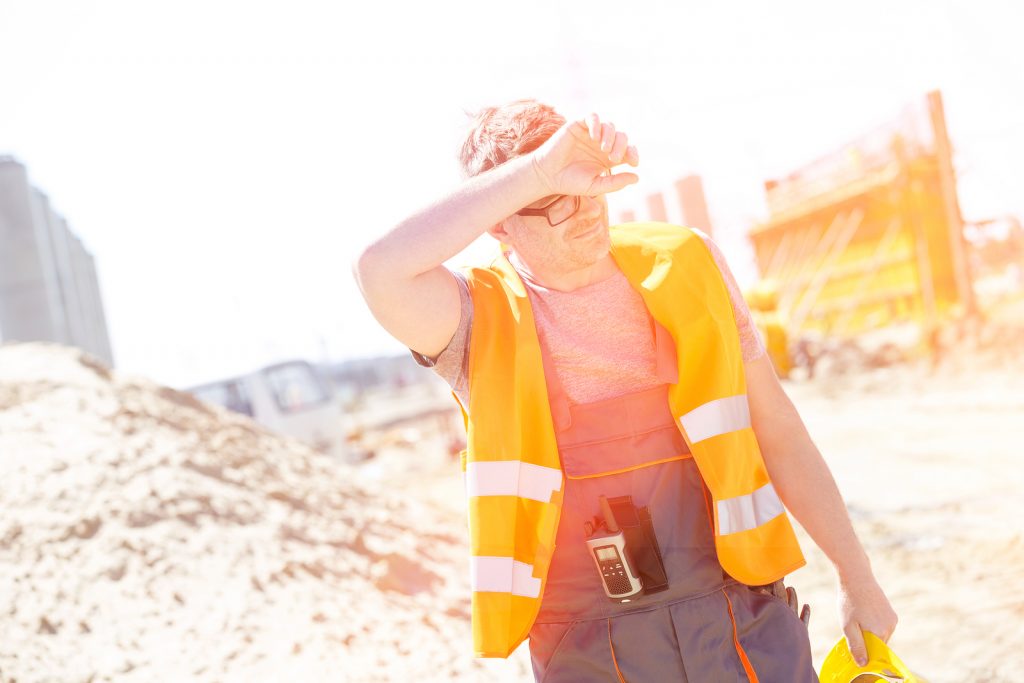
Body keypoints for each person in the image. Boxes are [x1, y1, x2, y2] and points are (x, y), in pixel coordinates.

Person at [353, 99, 897, 681]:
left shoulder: (688, 265)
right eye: (553, 199)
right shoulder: (476, 318)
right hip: (587, 650)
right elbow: (379, 270)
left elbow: (778, 429)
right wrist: (537, 171)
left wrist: (856, 576)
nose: (585, 210)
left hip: (739, 620)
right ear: (500, 219)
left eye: (588, 182)